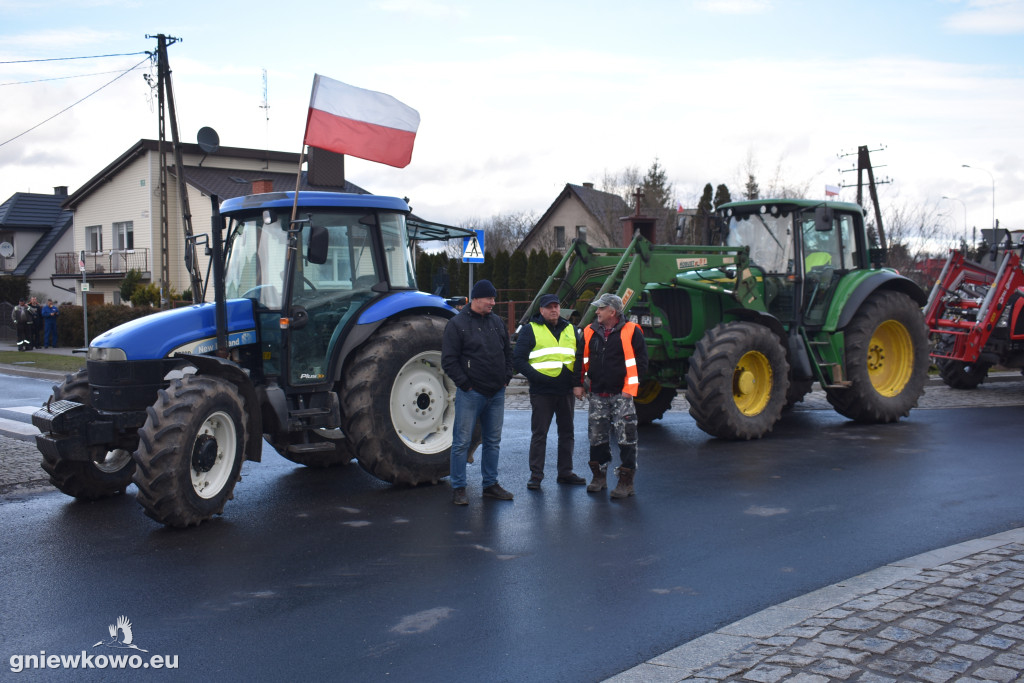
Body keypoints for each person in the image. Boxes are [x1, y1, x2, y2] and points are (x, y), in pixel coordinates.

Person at [441, 279, 515, 505]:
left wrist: (506, 378)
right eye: (489, 298)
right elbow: (449, 360)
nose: (493, 302)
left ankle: (490, 484)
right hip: (471, 394)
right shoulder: (457, 324)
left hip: (496, 393)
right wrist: (466, 385)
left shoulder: (497, 323)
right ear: (476, 298)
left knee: (493, 441)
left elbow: (508, 352)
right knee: (461, 442)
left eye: (494, 298)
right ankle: (459, 488)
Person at [576, 293, 649, 499]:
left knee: (626, 438)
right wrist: (578, 384)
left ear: (612, 312)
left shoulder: (633, 331)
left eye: (601, 308)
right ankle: (599, 478)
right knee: (596, 437)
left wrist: (629, 389)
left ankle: (626, 482)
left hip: (622, 395)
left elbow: (641, 364)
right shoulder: (590, 331)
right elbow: (580, 359)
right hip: (597, 394)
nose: (596, 311)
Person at [512, 293, 585, 490]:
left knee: (567, 433)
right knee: (539, 434)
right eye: (549, 307)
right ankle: (536, 475)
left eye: (556, 306)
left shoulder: (571, 329)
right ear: (541, 310)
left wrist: (578, 383)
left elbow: (579, 359)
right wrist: (537, 377)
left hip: (565, 391)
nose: (554, 310)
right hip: (542, 391)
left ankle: (565, 472)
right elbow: (518, 360)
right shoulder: (530, 329)